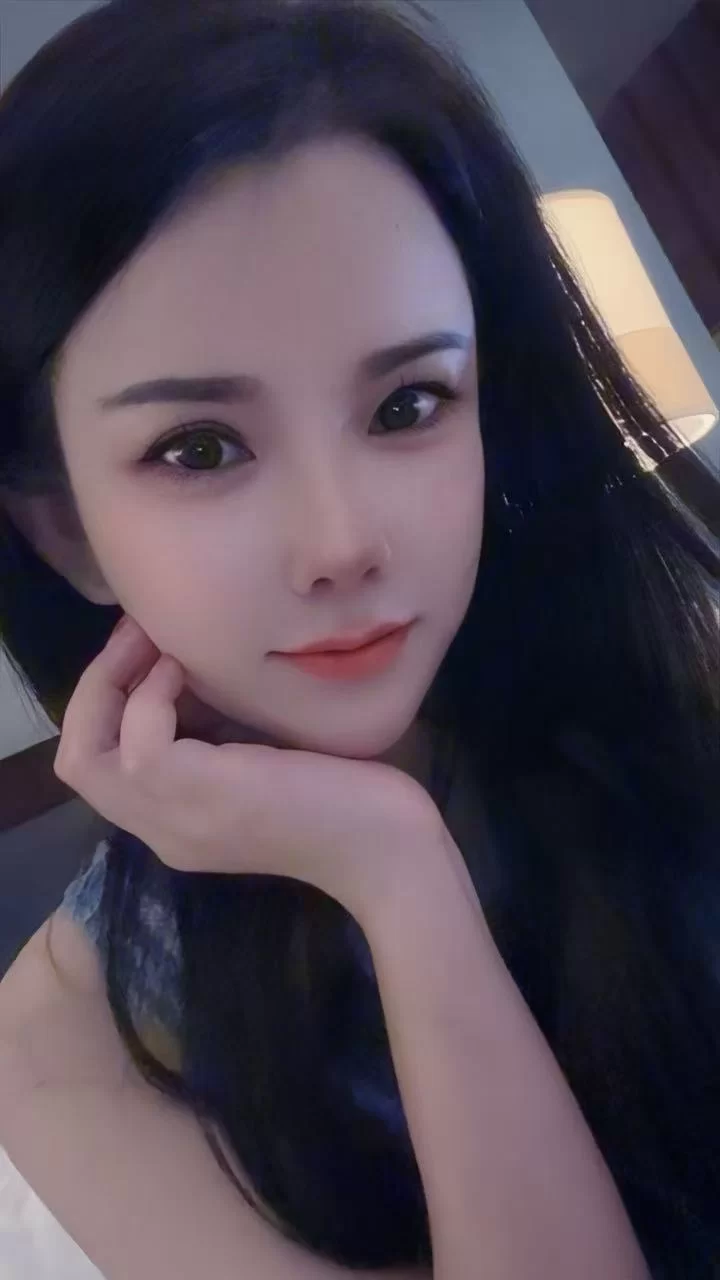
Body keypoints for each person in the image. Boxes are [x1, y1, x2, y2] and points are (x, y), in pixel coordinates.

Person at [0, 0, 717, 1275]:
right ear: (66, 533)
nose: (340, 541)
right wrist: (397, 877)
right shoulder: (69, 1039)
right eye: (199, 448)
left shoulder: (688, 695)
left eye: (407, 404)